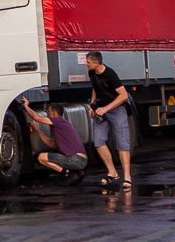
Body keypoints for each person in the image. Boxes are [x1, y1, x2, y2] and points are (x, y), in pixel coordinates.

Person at [87, 51, 134, 191]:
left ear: (96, 63)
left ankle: (127, 177)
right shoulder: (92, 73)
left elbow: (124, 95)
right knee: (98, 141)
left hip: (116, 109)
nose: (86, 65)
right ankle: (112, 172)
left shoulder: (110, 74)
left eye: (88, 62)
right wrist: (92, 104)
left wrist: (106, 109)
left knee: (122, 143)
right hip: (100, 110)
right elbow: (95, 88)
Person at [20, 97, 87, 186]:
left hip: (76, 159)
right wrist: (38, 131)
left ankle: (68, 173)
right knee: (43, 156)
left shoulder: (58, 120)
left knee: (41, 157)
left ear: (54, 113)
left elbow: (37, 118)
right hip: (81, 160)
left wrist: (26, 106)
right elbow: (50, 144)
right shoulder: (60, 125)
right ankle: (77, 172)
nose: (47, 115)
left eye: (48, 113)